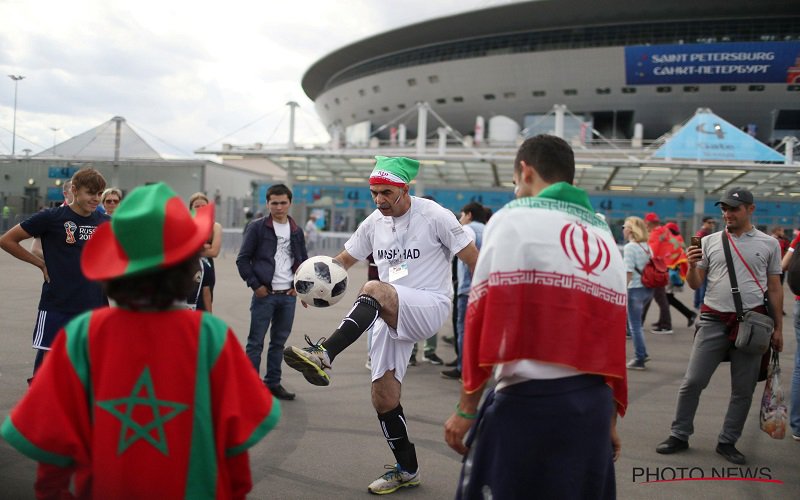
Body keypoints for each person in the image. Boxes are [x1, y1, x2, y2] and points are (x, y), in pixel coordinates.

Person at [0, 182, 280, 498]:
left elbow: (51, 454)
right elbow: (235, 451)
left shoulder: (83, 335)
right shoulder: (211, 338)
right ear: (189, 266)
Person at [444, 135, 627, 499]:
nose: (515, 191)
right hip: (592, 407)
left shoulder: (514, 218)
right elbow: (611, 332)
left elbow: (484, 317)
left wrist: (467, 408)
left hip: (529, 404)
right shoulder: (602, 232)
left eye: (514, 182)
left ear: (526, 172)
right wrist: (609, 419)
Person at [283, 156, 478, 494]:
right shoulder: (374, 222)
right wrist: (308, 283)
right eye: (374, 192)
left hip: (428, 304)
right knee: (383, 397)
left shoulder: (435, 216)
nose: (379, 200)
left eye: (386, 192)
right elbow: (343, 261)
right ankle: (407, 468)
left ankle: (324, 354)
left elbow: (475, 260)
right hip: (386, 311)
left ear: (405, 188)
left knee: (373, 288)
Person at [656, 187, 783, 465]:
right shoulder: (710, 241)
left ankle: (728, 441)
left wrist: (778, 329)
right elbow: (695, 284)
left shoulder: (769, 244)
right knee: (692, 381)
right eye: (724, 209)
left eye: (733, 209)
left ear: (750, 209)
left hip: (752, 323)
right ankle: (679, 433)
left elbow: (775, 288)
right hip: (713, 319)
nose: (727, 214)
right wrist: (690, 266)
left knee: (743, 389)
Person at [0, 168, 109, 380]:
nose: (96, 199)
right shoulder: (51, 217)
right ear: (75, 191)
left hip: (94, 308)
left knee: (88, 370)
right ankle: (39, 409)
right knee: (46, 370)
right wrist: (40, 264)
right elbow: (7, 240)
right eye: (91, 193)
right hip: (57, 306)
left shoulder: (106, 223)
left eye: (99, 194)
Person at [236, 184, 308, 401]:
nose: (278, 207)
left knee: (278, 343)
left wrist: (300, 288)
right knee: (255, 342)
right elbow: (243, 259)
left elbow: (303, 261)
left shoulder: (296, 230)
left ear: (290, 203)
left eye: (283, 202)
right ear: (267, 204)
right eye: (274, 203)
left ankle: (273, 383)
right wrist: (255, 285)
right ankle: (250, 387)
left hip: (288, 296)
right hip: (265, 295)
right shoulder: (257, 227)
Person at [442, 201, 486, 380]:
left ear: (469, 214)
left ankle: (465, 369)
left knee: (464, 331)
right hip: (486, 288)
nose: (461, 219)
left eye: (462, 215)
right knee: (479, 332)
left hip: (468, 289)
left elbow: (469, 252)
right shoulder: (490, 229)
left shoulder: (468, 229)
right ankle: (477, 369)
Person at [624, 216, 653, 370]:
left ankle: (640, 357)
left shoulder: (630, 247)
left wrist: (622, 289)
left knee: (635, 326)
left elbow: (628, 271)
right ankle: (642, 353)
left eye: (625, 226)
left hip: (635, 288)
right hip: (648, 288)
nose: (623, 229)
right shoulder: (647, 246)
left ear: (631, 230)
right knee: (637, 324)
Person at [781, 229, 800, 441]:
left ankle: (798, 426)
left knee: (799, 366)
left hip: (799, 304)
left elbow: (783, 265)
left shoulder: (799, 237)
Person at [189, 193, 223, 309]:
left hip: (207, 267)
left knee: (206, 300)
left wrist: (192, 249)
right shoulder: (186, 225)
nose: (200, 209)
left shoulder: (215, 227)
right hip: (190, 267)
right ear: (190, 208)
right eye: (196, 206)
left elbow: (214, 252)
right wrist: (205, 247)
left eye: (203, 206)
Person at [643, 212, 673, 333]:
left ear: (649, 223)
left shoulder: (655, 234)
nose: (645, 226)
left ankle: (666, 325)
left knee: (658, 297)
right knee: (658, 297)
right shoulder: (664, 231)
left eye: (646, 223)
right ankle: (663, 322)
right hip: (663, 267)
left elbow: (651, 252)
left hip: (656, 269)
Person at [663, 222, 696, 327]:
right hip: (675, 271)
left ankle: (688, 314)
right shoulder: (679, 239)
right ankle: (663, 321)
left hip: (671, 271)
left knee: (666, 298)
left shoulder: (672, 240)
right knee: (667, 298)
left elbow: (670, 256)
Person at [693, 216, 716, 309]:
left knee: (700, 285)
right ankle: (701, 304)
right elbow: (695, 246)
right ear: (704, 223)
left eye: (713, 222)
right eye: (709, 222)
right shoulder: (701, 233)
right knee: (703, 285)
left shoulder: (705, 233)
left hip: (702, 262)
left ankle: (697, 303)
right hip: (702, 263)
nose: (711, 224)